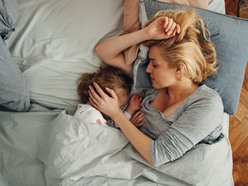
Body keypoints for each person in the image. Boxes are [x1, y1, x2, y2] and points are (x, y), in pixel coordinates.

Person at [89, 9, 224, 167]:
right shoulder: (150, 87)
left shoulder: (207, 103)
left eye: (155, 64)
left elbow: (158, 155)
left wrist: (117, 114)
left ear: (178, 69)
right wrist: (146, 34)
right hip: (130, 164)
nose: (148, 69)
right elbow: (103, 51)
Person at [74, 66, 144, 127]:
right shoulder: (92, 117)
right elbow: (111, 139)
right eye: (119, 107)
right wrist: (131, 126)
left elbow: (112, 125)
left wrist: (130, 110)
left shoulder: (90, 112)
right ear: (102, 101)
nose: (120, 111)